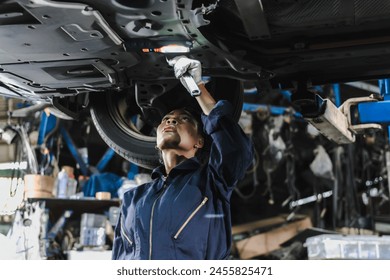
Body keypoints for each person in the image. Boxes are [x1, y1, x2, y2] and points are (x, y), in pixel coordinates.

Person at [112, 56, 254, 260]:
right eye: (166, 119)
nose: (171, 120)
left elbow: (236, 148)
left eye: (183, 119)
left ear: (199, 141)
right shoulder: (133, 199)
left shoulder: (212, 183)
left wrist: (197, 87)